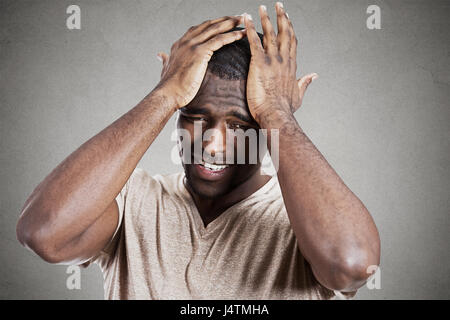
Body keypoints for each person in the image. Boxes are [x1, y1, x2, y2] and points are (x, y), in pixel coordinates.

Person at [16, 3, 380, 299]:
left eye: (239, 125)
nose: (212, 142)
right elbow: (44, 232)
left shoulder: (304, 220)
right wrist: (164, 95)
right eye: (194, 115)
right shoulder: (131, 200)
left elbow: (351, 266)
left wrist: (276, 112)